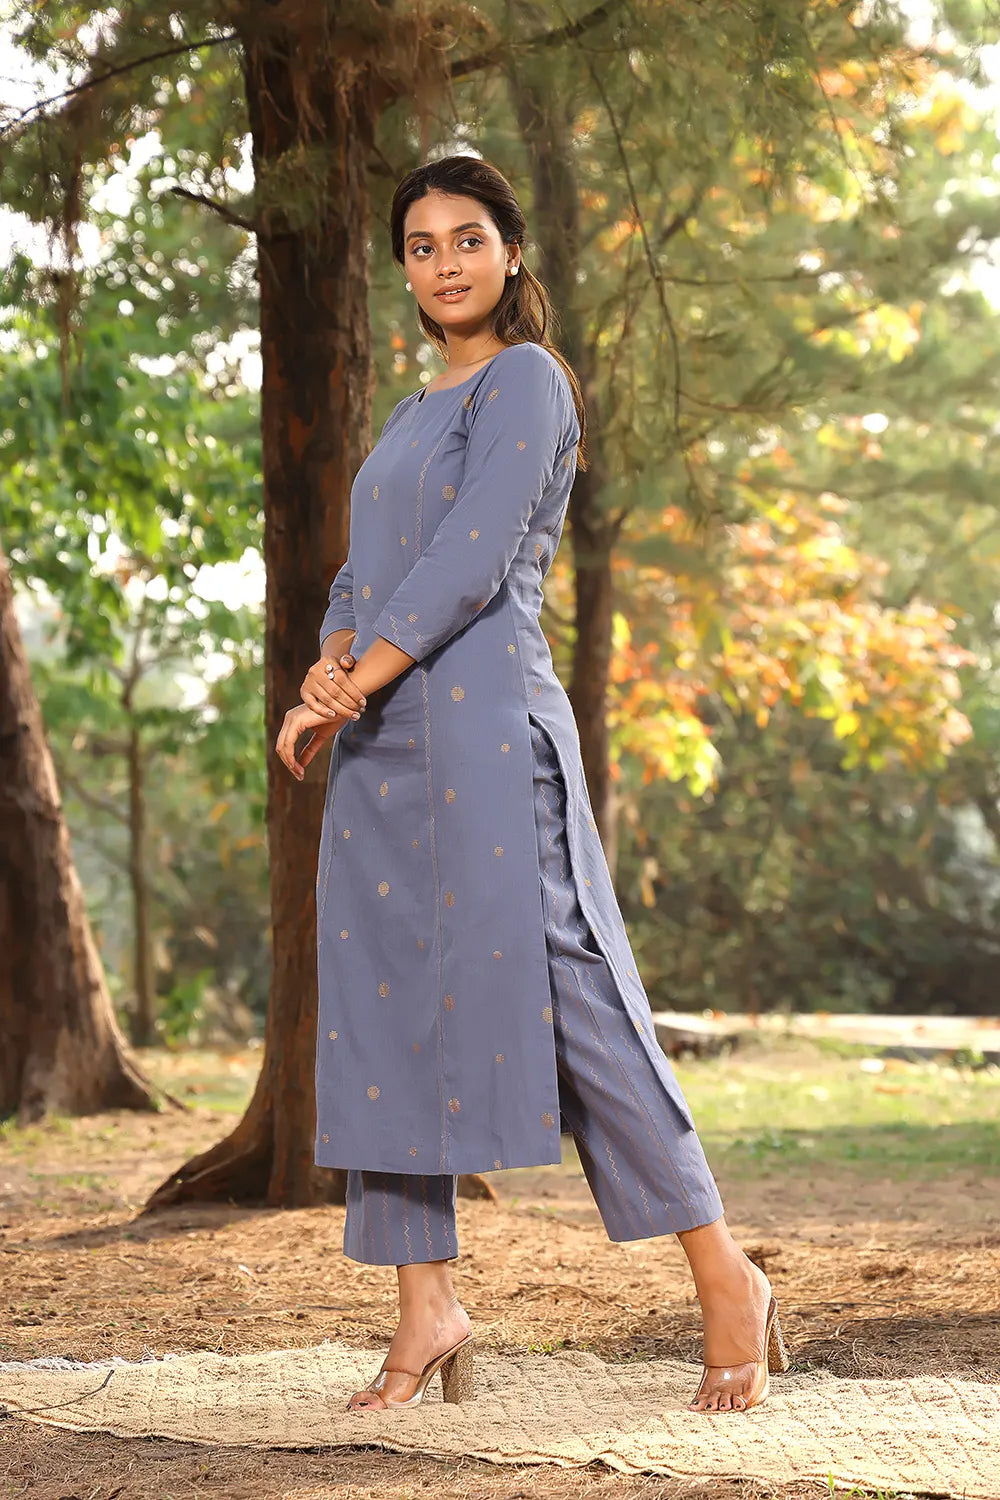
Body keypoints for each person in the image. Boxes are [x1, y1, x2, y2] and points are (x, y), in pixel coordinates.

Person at [275, 155, 788, 1415]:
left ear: (511, 252)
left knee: (583, 1000)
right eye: (421, 245)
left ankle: (725, 1274)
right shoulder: (412, 411)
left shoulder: (527, 382)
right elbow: (363, 570)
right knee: (385, 1012)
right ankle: (426, 1306)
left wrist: (350, 684)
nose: (445, 263)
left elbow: (468, 559)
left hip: (489, 743)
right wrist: (331, 668)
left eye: (467, 238)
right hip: (385, 754)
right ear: (404, 270)